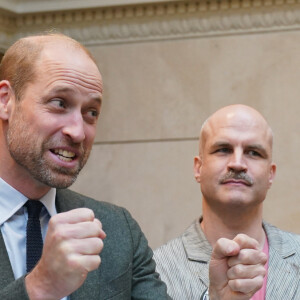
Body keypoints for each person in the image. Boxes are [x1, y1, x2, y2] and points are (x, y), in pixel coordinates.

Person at [0, 33, 169, 300]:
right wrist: (38, 287)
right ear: (6, 100)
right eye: (59, 103)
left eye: (90, 112)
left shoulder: (117, 229)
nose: (78, 132)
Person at [154, 104, 300, 299]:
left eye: (253, 152)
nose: (237, 163)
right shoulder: (156, 270)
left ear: (270, 175)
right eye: (223, 149)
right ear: (199, 168)